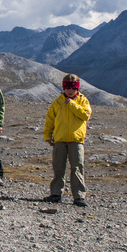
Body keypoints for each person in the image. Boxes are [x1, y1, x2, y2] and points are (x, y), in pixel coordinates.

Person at [43, 73, 93, 207]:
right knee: (58, 167)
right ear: (63, 88)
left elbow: (85, 115)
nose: (70, 90)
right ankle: (55, 194)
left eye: (72, 88)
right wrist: (48, 136)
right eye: (67, 87)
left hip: (76, 140)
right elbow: (50, 120)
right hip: (60, 139)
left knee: (77, 168)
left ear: (77, 88)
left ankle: (79, 196)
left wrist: (72, 105)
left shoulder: (83, 101)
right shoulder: (57, 102)